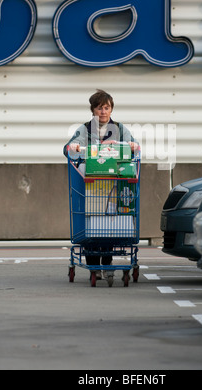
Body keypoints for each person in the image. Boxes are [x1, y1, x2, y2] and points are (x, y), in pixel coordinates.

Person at [64, 89, 139, 281]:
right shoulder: (85, 129)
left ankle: (106, 264)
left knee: (108, 223)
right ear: (93, 110)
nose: (103, 111)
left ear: (111, 109)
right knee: (92, 221)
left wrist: (132, 147)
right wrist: (73, 148)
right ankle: (93, 266)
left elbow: (135, 147)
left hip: (113, 184)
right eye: (99, 108)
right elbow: (69, 148)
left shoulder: (121, 129)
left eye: (107, 108)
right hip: (90, 184)